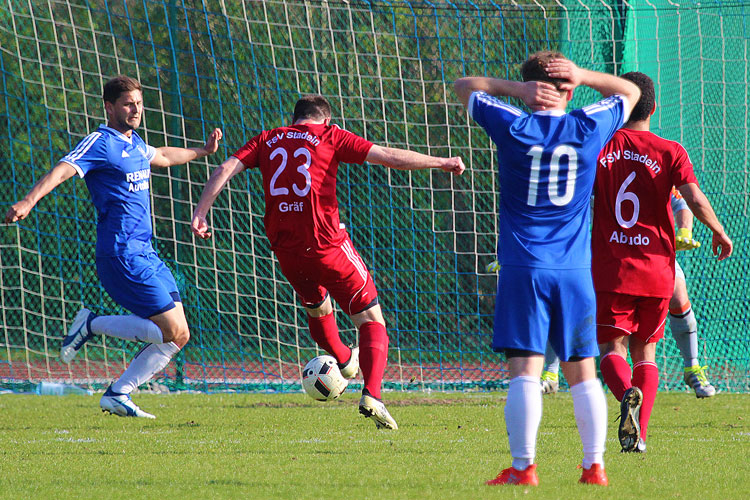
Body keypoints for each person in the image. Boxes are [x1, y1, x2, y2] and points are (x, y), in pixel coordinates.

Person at [190, 94, 465, 430]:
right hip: (326, 246)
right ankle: (373, 395)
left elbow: (225, 167)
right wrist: (441, 162)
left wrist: (201, 213)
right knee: (370, 318)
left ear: (295, 119)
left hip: (286, 251)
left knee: (318, 307)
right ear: (325, 119)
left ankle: (346, 360)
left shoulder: (268, 138)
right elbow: (389, 157)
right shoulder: (330, 135)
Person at [455, 51, 640, 487]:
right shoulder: (588, 125)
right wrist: (584, 75)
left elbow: (465, 86)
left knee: (525, 370)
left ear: (530, 87)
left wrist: (516, 91)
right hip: (575, 270)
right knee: (582, 370)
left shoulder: (514, 125)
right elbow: (631, 91)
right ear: (570, 88)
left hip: (524, 267)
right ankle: (594, 467)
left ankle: (523, 468)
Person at [4, 75, 223, 418]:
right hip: (121, 254)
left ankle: (107, 366)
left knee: (178, 335)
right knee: (173, 331)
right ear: (109, 107)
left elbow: (163, 155)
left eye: (138, 103)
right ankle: (109, 367)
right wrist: (29, 201)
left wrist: (204, 151)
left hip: (146, 252)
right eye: (128, 104)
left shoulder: (134, 142)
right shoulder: (100, 142)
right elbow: (63, 169)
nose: (135, 110)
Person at [591, 71, 732, 454]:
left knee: (612, 352)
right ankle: (639, 437)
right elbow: (695, 199)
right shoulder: (670, 151)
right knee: (646, 353)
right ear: (654, 107)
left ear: (619, 106)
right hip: (657, 271)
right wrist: (719, 231)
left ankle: (625, 397)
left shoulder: (599, 147)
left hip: (611, 267)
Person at [536, 190, 718, 398]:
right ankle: (550, 372)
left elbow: (682, 200)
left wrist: (685, 230)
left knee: (677, 295)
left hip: (651, 249)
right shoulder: (600, 162)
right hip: (607, 249)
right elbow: (566, 206)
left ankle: (692, 368)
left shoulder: (656, 162)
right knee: (566, 295)